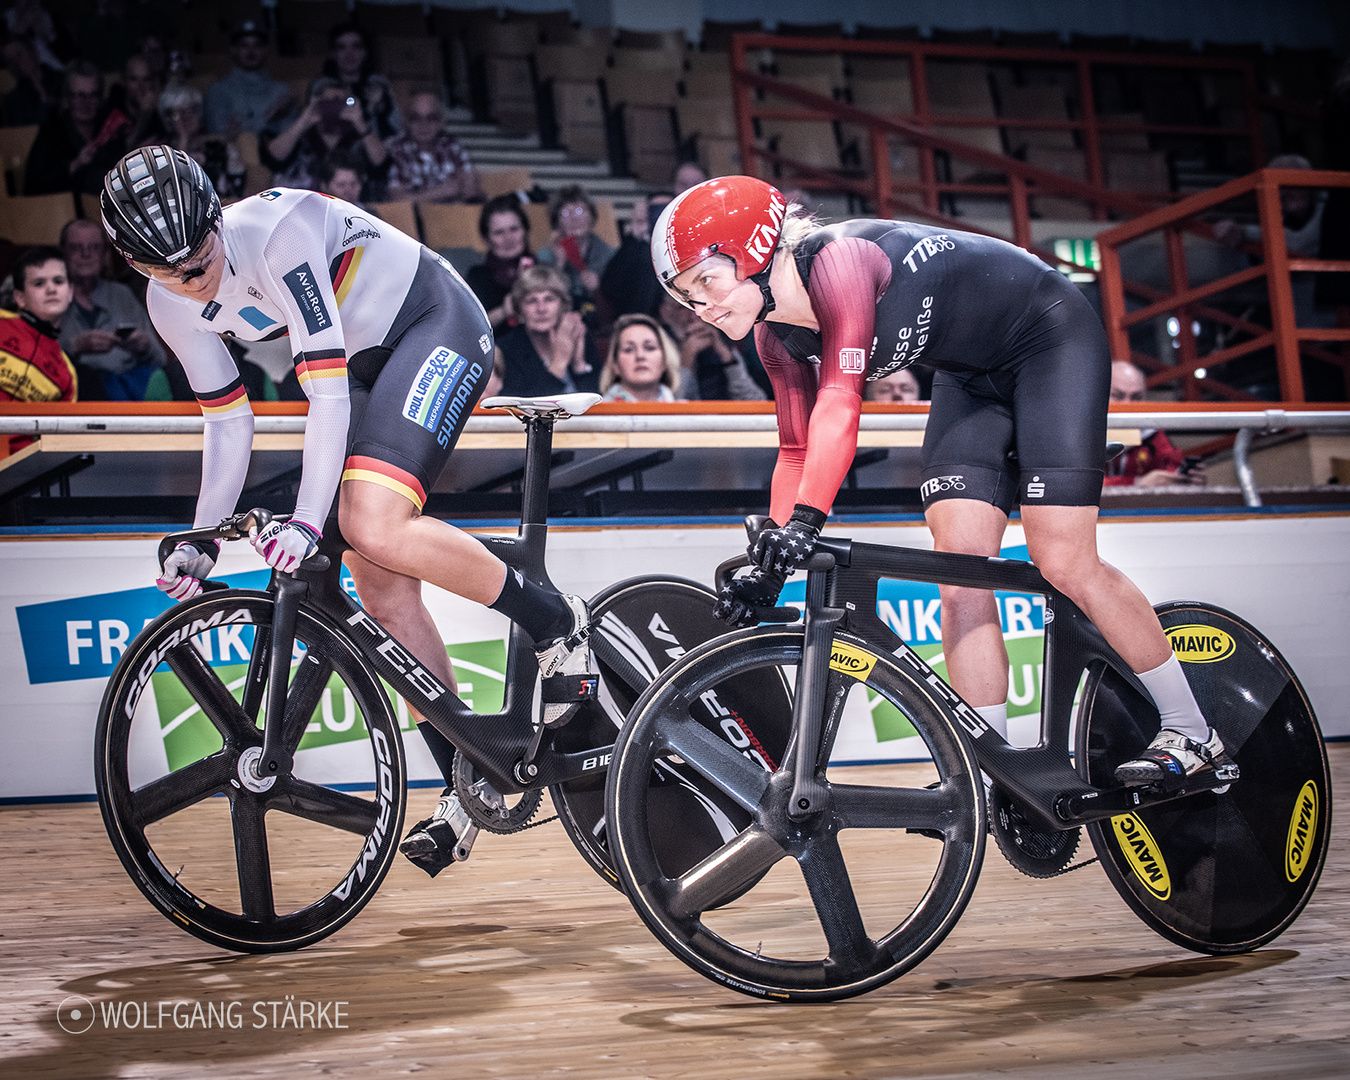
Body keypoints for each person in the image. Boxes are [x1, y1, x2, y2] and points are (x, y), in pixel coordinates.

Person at [100, 146, 597, 875]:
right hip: (367, 366)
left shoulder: (279, 233)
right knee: (381, 589)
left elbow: (325, 395)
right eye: (167, 271)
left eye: (200, 253)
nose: (192, 277)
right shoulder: (166, 302)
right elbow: (227, 420)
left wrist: (305, 524)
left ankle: (557, 620)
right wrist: (203, 540)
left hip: (432, 322)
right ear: (136, 266)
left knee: (371, 523)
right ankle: (466, 784)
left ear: (216, 217)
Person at [653, 175, 1235, 788]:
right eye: (688, 299)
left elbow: (840, 406)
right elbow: (796, 448)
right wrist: (772, 555)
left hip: (1049, 340)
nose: (703, 308)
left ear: (753, 250)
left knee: (1063, 559)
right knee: (959, 574)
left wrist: (802, 525)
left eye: (706, 283)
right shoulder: (777, 336)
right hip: (969, 377)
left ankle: (1194, 731)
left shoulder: (837, 264)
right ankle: (1000, 772)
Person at [57, 217, 164, 400]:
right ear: (63, 253)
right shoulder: (51, 295)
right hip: (77, 394)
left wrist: (142, 346)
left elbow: (159, 358)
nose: (86, 254)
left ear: (106, 255)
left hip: (131, 391)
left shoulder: (121, 294)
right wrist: (74, 347)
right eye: (76, 247)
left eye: (94, 247)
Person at [262, 76, 388, 200]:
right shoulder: (302, 134)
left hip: (351, 208)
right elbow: (273, 158)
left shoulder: (358, 134)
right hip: (302, 207)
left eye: (340, 102)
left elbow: (381, 163)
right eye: (328, 102)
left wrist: (360, 122)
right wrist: (304, 120)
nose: (334, 107)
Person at [493, 264, 598, 397]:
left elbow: (597, 403)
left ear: (563, 306)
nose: (541, 309)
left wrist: (579, 364)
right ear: (519, 310)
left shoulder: (577, 335)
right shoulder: (506, 349)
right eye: (531, 301)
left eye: (549, 299)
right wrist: (559, 362)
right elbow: (527, 409)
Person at [24, 61, 129, 195]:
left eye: (93, 95)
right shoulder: (51, 132)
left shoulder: (112, 129)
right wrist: (75, 165)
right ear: (67, 99)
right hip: (64, 210)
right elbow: (33, 186)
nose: (86, 103)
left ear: (101, 99)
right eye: (79, 95)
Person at [0, 245, 77, 421]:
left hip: (24, 450)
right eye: (39, 283)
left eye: (58, 281)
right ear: (20, 298)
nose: (51, 289)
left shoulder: (67, 374)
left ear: (70, 293)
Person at [1103, 360, 1203, 488]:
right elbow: (1077, 486)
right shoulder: (1080, 435)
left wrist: (1189, 482)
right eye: (1117, 396)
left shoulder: (1152, 435)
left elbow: (1173, 471)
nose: (1127, 405)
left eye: (1136, 398)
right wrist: (1137, 483)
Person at [658, 292, 765, 401]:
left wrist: (726, 356)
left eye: (699, 305)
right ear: (665, 313)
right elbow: (669, 404)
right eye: (683, 307)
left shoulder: (724, 341)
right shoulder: (657, 348)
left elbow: (755, 400)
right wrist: (686, 360)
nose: (694, 315)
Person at [535, 184, 614, 323]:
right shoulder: (544, 256)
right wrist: (559, 265)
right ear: (557, 222)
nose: (574, 218)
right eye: (565, 213)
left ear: (591, 216)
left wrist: (598, 288)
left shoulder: (610, 254)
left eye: (579, 211)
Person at [385, 91, 482, 203]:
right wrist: (442, 192)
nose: (424, 124)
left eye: (431, 117)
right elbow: (396, 201)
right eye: (415, 118)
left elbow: (471, 190)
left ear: (441, 121)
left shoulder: (452, 146)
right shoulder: (397, 148)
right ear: (407, 121)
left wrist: (417, 198)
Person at [202, 20, 294, 137]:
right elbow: (219, 135)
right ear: (233, 50)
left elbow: (292, 132)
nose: (251, 51)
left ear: (265, 50)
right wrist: (270, 115)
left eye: (257, 45)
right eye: (244, 45)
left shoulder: (281, 90)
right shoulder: (218, 91)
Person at [159, 84, 247, 201]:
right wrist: (183, 140)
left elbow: (237, 186)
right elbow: (172, 190)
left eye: (192, 110)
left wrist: (231, 144)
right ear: (167, 120)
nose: (187, 117)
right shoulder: (160, 152)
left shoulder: (218, 147)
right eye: (178, 113)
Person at [318, 22, 400, 140]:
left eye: (356, 46)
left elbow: (397, 131)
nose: (349, 54)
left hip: (377, 150)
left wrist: (381, 108)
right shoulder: (322, 86)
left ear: (364, 52)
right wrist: (367, 111)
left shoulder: (379, 83)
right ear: (333, 54)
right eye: (341, 47)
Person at [464, 194, 534, 331]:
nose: (508, 238)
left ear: (525, 231)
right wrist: (503, 312)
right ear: (486, 238)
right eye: (499, 232)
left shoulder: (543, 270)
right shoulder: (477, 276)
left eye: (514, 229)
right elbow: (469, 329)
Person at [600, 313, 681, 402]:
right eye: (629, 349)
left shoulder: (687, 413)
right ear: (615, 364)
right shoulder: (595, 414)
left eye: (650, 348)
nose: (640, 356)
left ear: (666, 359)